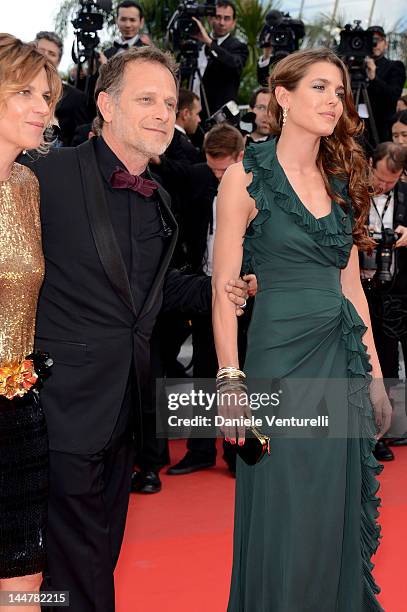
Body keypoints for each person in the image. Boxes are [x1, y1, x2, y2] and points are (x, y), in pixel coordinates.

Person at [22, 46, 248, 611]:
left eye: (169, 102)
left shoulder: (162, 200)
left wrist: (229, 288)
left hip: (127, 413)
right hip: (57, 405)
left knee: (99, 552)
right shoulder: (42, 176)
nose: (161, 113)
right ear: (105, 104)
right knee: (77, 565)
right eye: (145, 99)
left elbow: (153, 291)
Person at [212, 48, 392, 611]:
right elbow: (223, 290)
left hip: (338, 357)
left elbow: (352, 287)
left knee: (327, 505)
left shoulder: (339, 179)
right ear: (282, 98)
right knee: (285, 503)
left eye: (339, 90)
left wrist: (378, 377)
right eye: (319, 88)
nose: (334, 100)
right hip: (277, 360)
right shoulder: (245, 176)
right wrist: (230, 382)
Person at [0, 33, 61, 609]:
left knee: (24, 583)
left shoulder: (27, 185)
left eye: (48, 94)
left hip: (18, 404)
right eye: (26, 92)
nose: (44, 107)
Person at [360, 142, 407, 461]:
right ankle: (375, 432)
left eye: (392, 181)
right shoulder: (355, 191)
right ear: (370, 164)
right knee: (375, 362)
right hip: (365, 288)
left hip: (401, 289)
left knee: (394, 361)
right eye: (380, 178)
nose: (384, 185)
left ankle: (391, 428)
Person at [191, 0, 248, 118]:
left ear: (233, 22)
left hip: (220, 117)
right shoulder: (196, 43)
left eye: (227, 18)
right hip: (192, 115)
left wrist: (210, 43)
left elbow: (234, 64)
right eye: (218, 17)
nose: (222, 22)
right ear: (210, 19)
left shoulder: (238, 46)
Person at [35, 31, 90, 146]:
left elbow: (80, 140)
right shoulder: (14, 88)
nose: (45, 56)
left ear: (59, 61)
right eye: (41, 50)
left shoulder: (76, 98)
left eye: (52, 53)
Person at [366, 25, 406, 143]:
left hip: (381, 131)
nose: (375, 44)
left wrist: (374, 77)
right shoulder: (355, 67)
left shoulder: (395, 66)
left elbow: (394, 96)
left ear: (386, 44)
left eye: (378, 40)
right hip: (357, 128)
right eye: (371, 40)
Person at [165, 88, 202, 163]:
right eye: (197, 114)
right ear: (185, 114)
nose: (199, 120)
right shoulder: (180, 145)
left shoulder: (167, 137)